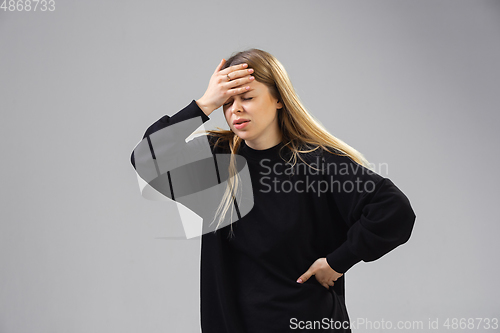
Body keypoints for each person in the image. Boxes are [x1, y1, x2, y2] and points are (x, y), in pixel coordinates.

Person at [130, 48, 416, 332]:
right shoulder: (216, 161)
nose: (235, 110)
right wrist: (204, 104)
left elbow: (394, 210)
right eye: (226, 102)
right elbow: (146, 159)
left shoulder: (318, 163)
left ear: (278, 99)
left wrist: (338, 261)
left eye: (248, 97)